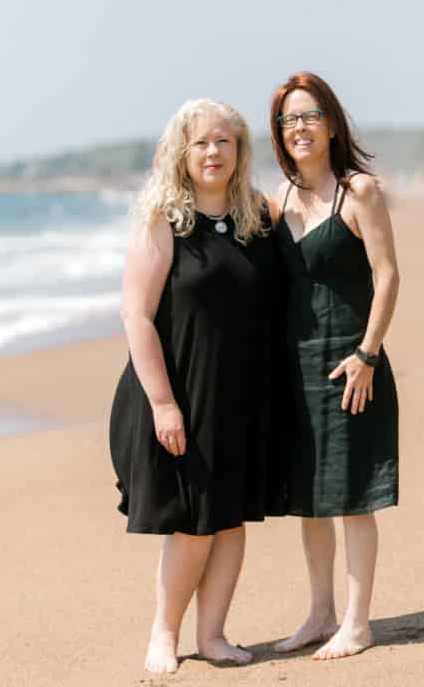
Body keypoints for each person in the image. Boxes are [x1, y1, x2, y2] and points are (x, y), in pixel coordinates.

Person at [109, 98, 281, 675]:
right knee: (191, 523)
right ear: (182, 151)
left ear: (239, 151)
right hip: (179, 389)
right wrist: (163, 403)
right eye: (202, 142)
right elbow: (136, 316)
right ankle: (165, 632)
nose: (213, 152)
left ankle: (213, 636)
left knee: (230, 519)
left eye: (224, 142)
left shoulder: (258, 216)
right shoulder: (164, 220)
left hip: (240, 394)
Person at [269, 71, 399, 661]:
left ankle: (357, 622)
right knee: (310, 498)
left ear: (331, 123)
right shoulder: (280, 198)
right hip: (296, 367)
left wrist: (368, 353)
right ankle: (319, 613)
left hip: (352, 360)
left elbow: (388, 275)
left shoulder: (359, 191)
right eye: (289, 119)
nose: (299, 127)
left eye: (309, 116)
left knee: (351, 497)